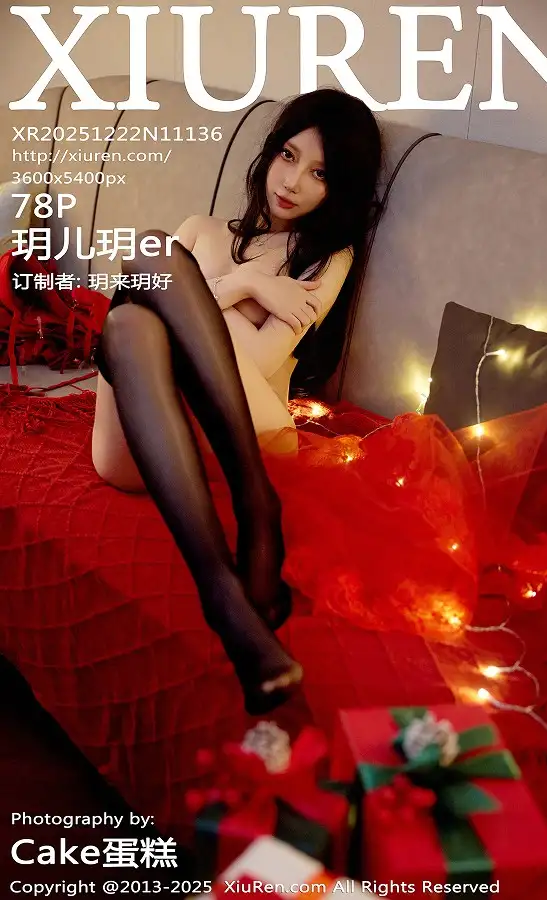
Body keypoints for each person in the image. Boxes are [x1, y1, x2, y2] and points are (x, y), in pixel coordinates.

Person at [91, 88, 383, 715]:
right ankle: (257, 506)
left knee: (143, 299)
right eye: (288, 156)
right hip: (140, 440)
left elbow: (251, 363)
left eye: (320, 172)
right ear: (269, 153)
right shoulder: (199, 232)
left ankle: (222, 595)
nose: (293, 182)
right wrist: (244, 284)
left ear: (340, 188)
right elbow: (141, 301)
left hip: (241, 428)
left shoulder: (323, 259)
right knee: (136, 303)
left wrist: (193, 296)